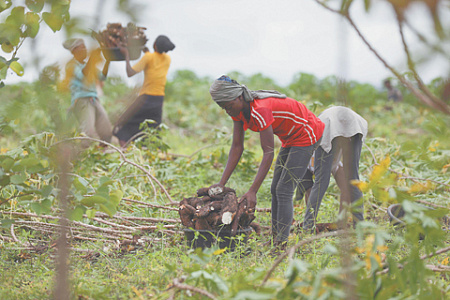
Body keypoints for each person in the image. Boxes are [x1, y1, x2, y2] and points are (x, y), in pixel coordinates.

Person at [209, 75, 325, 249]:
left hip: (306, 133)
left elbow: (268, 153)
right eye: (224, 108)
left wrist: (252, 191)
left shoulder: (260, 110)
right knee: (275, 188)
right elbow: (237, 147)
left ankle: (280, 245)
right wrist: (221, 183)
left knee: (284, 189)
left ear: (239, 97)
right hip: (290, 137)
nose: (228, 111)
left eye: (229, 106)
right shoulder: (238, 111)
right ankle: (275, 237)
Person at [296, 106, 368, 231]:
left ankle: (308, 226)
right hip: (351, 123)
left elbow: (344, 189)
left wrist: (340, 221)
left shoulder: (315, 154)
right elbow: (309, 191)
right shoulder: (305, 166)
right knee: (351, 178)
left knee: (323, 181)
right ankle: (359, 225)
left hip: (340, 124)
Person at [114, 35, 175, 147]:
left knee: (122, 125)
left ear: (155, 45)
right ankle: (149, 153)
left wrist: (126, 54)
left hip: (145, 98)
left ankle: (125, 151)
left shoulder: (148, 57)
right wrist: (147, 51)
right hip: (158, 100)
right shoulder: (167, 59)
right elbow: (154, 58)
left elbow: (130, 72)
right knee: (153, 129)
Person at [63, 38, 113, 147]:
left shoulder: (89, 66)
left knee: (107, 131)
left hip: (94, 99)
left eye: (85, 48)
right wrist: (93, 56)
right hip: (82, 100)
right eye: (82, 48)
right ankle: (82, 159)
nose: (85, 50)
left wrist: (108, 60)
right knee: (87, 134)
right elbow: (83, 75)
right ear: (74, 51)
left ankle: (101, 154)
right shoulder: (71, 65)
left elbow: (102, 76)